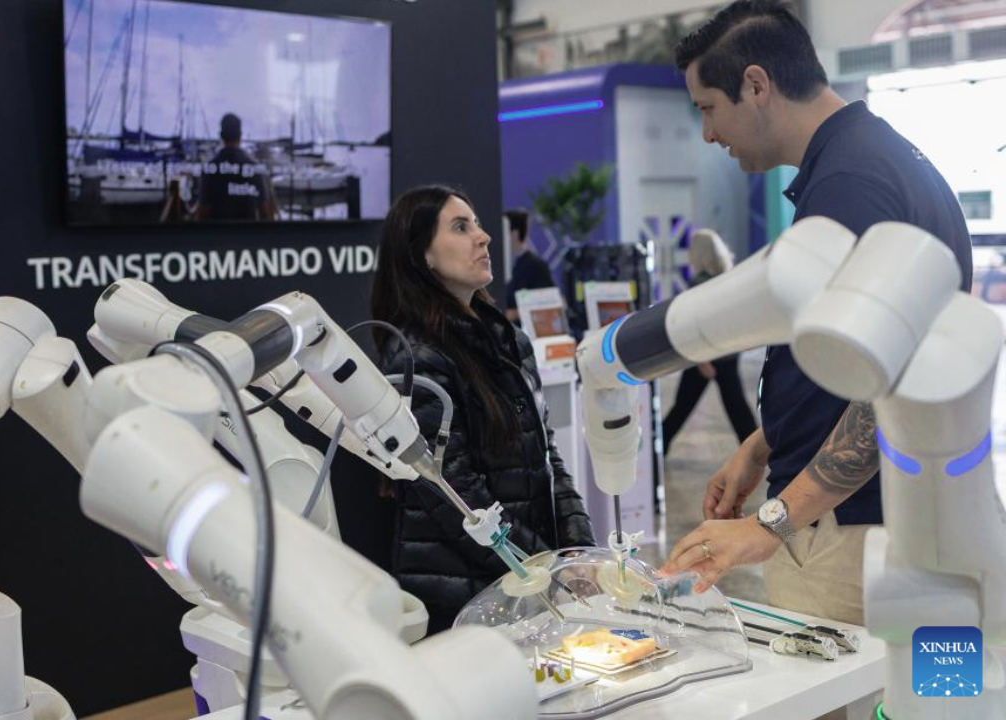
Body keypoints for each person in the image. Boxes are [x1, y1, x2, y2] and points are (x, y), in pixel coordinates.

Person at [656, 0, 972, 626]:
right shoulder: (874, 158)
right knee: (935, 677)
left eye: (708, 108)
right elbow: (849, 361)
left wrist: (769, 523)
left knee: (866, 684)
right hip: (891, 516)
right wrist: (764, 443)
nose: (708, 134)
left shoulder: (850, 185)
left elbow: (889, 391)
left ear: (756, 85)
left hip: (852, 532)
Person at [371, 185, 596, 632]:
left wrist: (578, 549)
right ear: (422, 255)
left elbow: (548, 457)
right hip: (467, 599)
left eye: (476, 223)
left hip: (525, 582)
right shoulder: (416, 358)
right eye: (461, 227)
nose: (484, 236)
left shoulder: (510, 340)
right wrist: (545, 567)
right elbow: (454, 495)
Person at [661, 229, 757, 450]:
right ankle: (755, 452)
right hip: (728, 353)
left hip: (706, 354)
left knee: (682, 407)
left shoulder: (699, 284)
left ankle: (656, 451)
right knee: (738, 408)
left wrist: (701, 360)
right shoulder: (728, 280)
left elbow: (693, 326)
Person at [194, 113, 276, 221]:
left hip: (217, 230)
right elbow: (264, 211)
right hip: (247, 231)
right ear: (240, 135)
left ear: (221, 135)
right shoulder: (254, 168)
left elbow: (203, 212)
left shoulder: (210, 169)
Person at [503, 208, 556, 323]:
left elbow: (548, 303)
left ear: (514, 234)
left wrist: (514, 313)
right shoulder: (505, 265)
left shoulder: (536, 265)